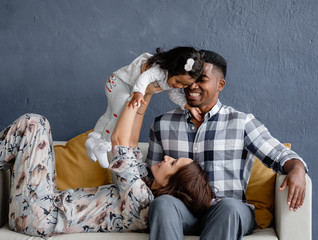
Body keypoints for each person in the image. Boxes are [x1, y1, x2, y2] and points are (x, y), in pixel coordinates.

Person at [0, 84, 214, 237]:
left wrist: (139, 87)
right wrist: (146, 95)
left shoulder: (141, 201)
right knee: (36, 125)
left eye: (173, 164)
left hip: (40, 217)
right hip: (45, 205)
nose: (167, 157)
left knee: (35, 123)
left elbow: (119, 141)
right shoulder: (145, 185)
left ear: (171, 184)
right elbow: (130, 142)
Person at [146, 50, 308, 240]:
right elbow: (151, 176)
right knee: (163, 203)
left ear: (220, 84)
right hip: (182, 212)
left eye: (202, 79)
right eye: (192, 79)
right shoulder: (163, 124)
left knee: (228, 207)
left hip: (229, 212)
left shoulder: (241, 122)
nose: (193, 86)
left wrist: (297, 168)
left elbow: (279, 154)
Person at [86, 46, 204, 168]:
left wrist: (187, 106)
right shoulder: (159, 70)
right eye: (178, 81)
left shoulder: (173, 81)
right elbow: (145, 77)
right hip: (119, 84)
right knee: (117, 116)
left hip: (122, 86)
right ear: (172, 69)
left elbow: (175, 95)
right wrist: (139, 92)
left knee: (109, 114)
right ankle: (103, 144)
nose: (179, 86)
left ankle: (93, 138)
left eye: (184, 85)